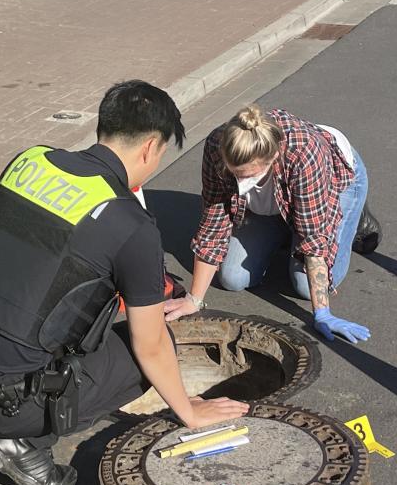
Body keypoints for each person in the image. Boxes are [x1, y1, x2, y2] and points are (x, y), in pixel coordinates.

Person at [0, 80, 250, 485]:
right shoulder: (130, 224)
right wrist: (189, 412)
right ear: (151, 147)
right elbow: (149, 344)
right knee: (153, 345)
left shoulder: (29, 162)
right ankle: (18, 442)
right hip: (10, 400)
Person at [162, 105, 380, 344]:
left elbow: (314, 240)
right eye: (235, 174)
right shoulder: (217, 144)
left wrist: (322, 314)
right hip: (273, 197)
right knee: (233, 278)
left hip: (333, 179)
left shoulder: (304, 153)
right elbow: (215, 220)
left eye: (249, 175)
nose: (240, 182)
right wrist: (194, 299)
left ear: (273, 157)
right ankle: (287, 223)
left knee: (304, 287)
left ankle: (354, 217)